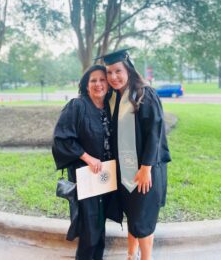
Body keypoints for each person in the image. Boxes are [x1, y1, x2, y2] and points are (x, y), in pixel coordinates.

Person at [96, 49, 171, 260]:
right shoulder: (115, 98)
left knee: (143, 218)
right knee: (132, 213)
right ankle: (131, 254)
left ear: (128, 69)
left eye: (118, 71)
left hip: (145, 169)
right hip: (124, 170)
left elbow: (155, 134)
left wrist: (146, 167)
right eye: (109, 72)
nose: (113, 77)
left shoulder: (145, 94)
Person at [52, 65, 122, 260]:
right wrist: (87, 157)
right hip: (86, 175)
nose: (98, 84)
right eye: (93, 80)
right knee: (89, 228)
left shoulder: (110, 107)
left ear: (108, 84)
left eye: (102, 80)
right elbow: (62, 139)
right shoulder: (77, 106)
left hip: (106, 176)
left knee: (99, 226)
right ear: (86, 84)